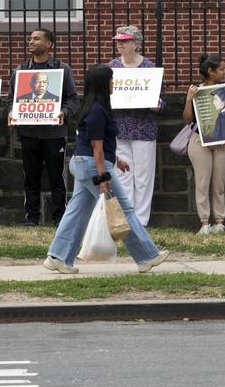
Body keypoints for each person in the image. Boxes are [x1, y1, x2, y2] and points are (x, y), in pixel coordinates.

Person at [44, 64, 169, 274]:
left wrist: (116, 160)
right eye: (111, 80)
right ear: (103, 83)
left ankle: (58, 256)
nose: (114, 83)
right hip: (93, 166)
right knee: (122, 209)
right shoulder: (97, 111)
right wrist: (103, 176)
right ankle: (147, 256)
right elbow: (96, 147)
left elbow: (98, 144)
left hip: (87, 163)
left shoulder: (96, 108)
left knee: (77, 212)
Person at [7, 28, 79, 226]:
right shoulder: (21, 71)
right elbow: (10, 101)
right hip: (29, 133)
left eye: (36, 39)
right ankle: (31, 219)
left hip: (54, 134)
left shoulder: (62, 69)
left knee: (57, 179)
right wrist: (12, 113)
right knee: (31, 179)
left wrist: (64, 112)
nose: (30, 42)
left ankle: (60, 220)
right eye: (29, 38)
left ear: (49, 44)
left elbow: (73, 100)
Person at [108, 25, 166, 226]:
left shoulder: (149, 68)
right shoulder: (112, 67)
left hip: (144, 129)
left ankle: (140, 222)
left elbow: (162, 99)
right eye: (118, 41)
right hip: (119, 128)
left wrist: (156, 105)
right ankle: (126, 220)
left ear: (136, 43)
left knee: (143, 177)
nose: (120, 44)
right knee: (123, 176)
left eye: (124, 41)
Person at [182, 54, 225, 235]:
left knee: (219, 183)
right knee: (202, 182)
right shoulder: (197, 90)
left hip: (223, 141)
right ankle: (204, 222)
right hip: (200, 140)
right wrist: (189, 98)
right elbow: (187, 120)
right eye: (222, 69)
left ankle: (219, 221)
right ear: (210, 71)